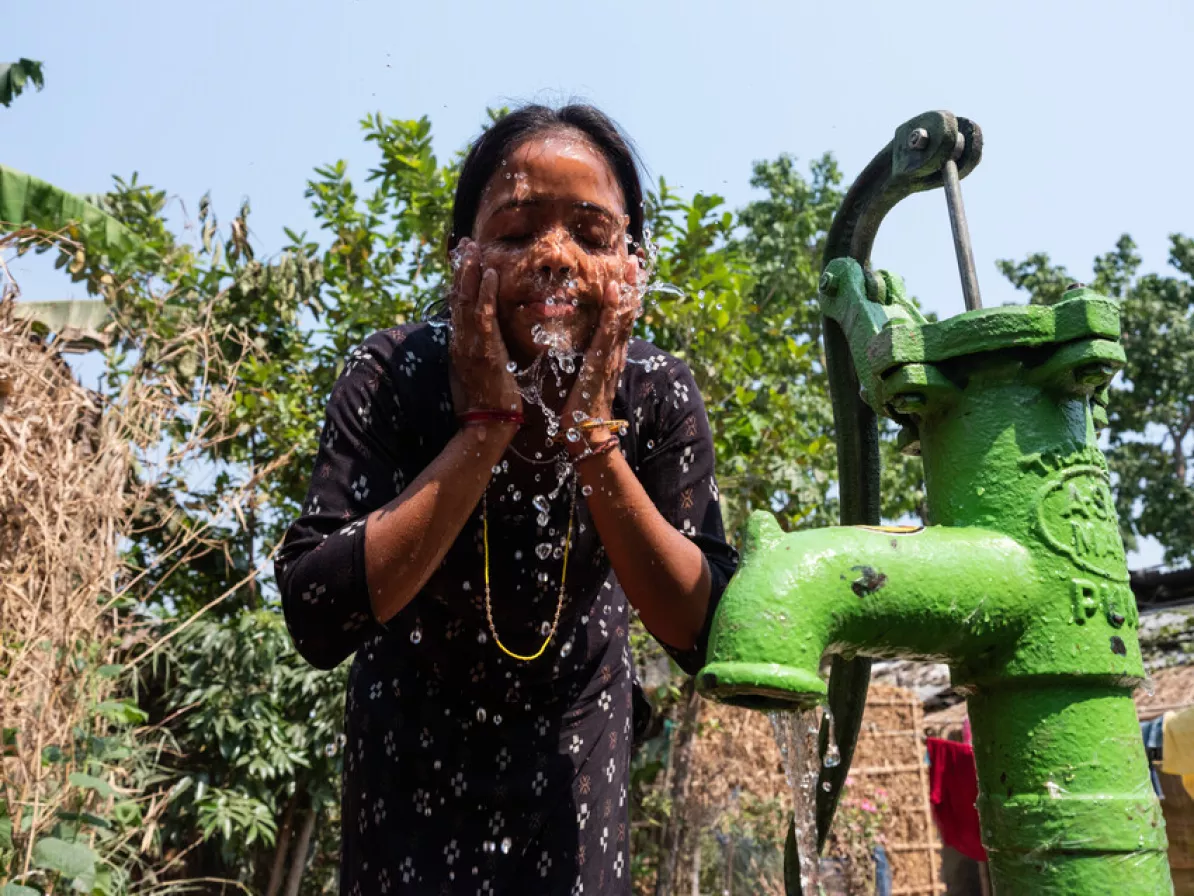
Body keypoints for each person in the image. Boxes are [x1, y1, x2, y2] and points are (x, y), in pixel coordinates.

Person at [275, 103, 738, 896]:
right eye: (518, 232)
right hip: (409, 752)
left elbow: (704, 631)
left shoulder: (655, 393)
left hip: (577, 752)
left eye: (591, 237)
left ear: (633, 264)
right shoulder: (396, 374)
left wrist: (595, 435)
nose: (555, 257)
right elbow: (318, 615)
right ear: (465, 257)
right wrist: (487, 426)